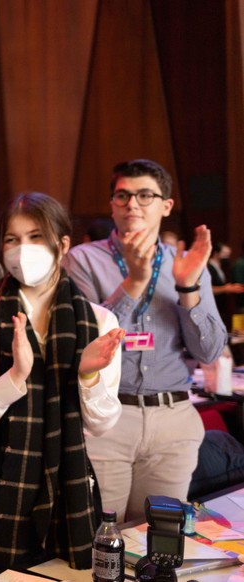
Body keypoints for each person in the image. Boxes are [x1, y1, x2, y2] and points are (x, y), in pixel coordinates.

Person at [0, 192, 124, 580]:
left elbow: (103, 424)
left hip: (65, 476)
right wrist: (14, 378)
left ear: (63, 244)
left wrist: (87, 374)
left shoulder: (99, 322)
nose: (23, 249)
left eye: (36, 236)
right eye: (12, 239)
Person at [63, 159, 226, 523]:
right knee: (102, 539)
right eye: (123, 196)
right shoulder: (83, 260)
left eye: (144, 195)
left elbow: (210, 351)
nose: (132, 204)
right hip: (106, 419)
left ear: (165, 206)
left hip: (173, 420)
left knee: (160, 537)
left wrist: (187, 288)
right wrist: (134, 283)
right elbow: (83, 344)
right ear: (112, 204)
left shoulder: (185, 263)